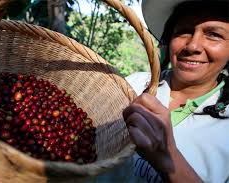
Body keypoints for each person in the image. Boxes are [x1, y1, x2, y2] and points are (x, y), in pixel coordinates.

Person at [89, 0, 229, 182]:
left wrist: (167, 156)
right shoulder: (135, 84)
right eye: (184, 31)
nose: (192, 46)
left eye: (213, 35)